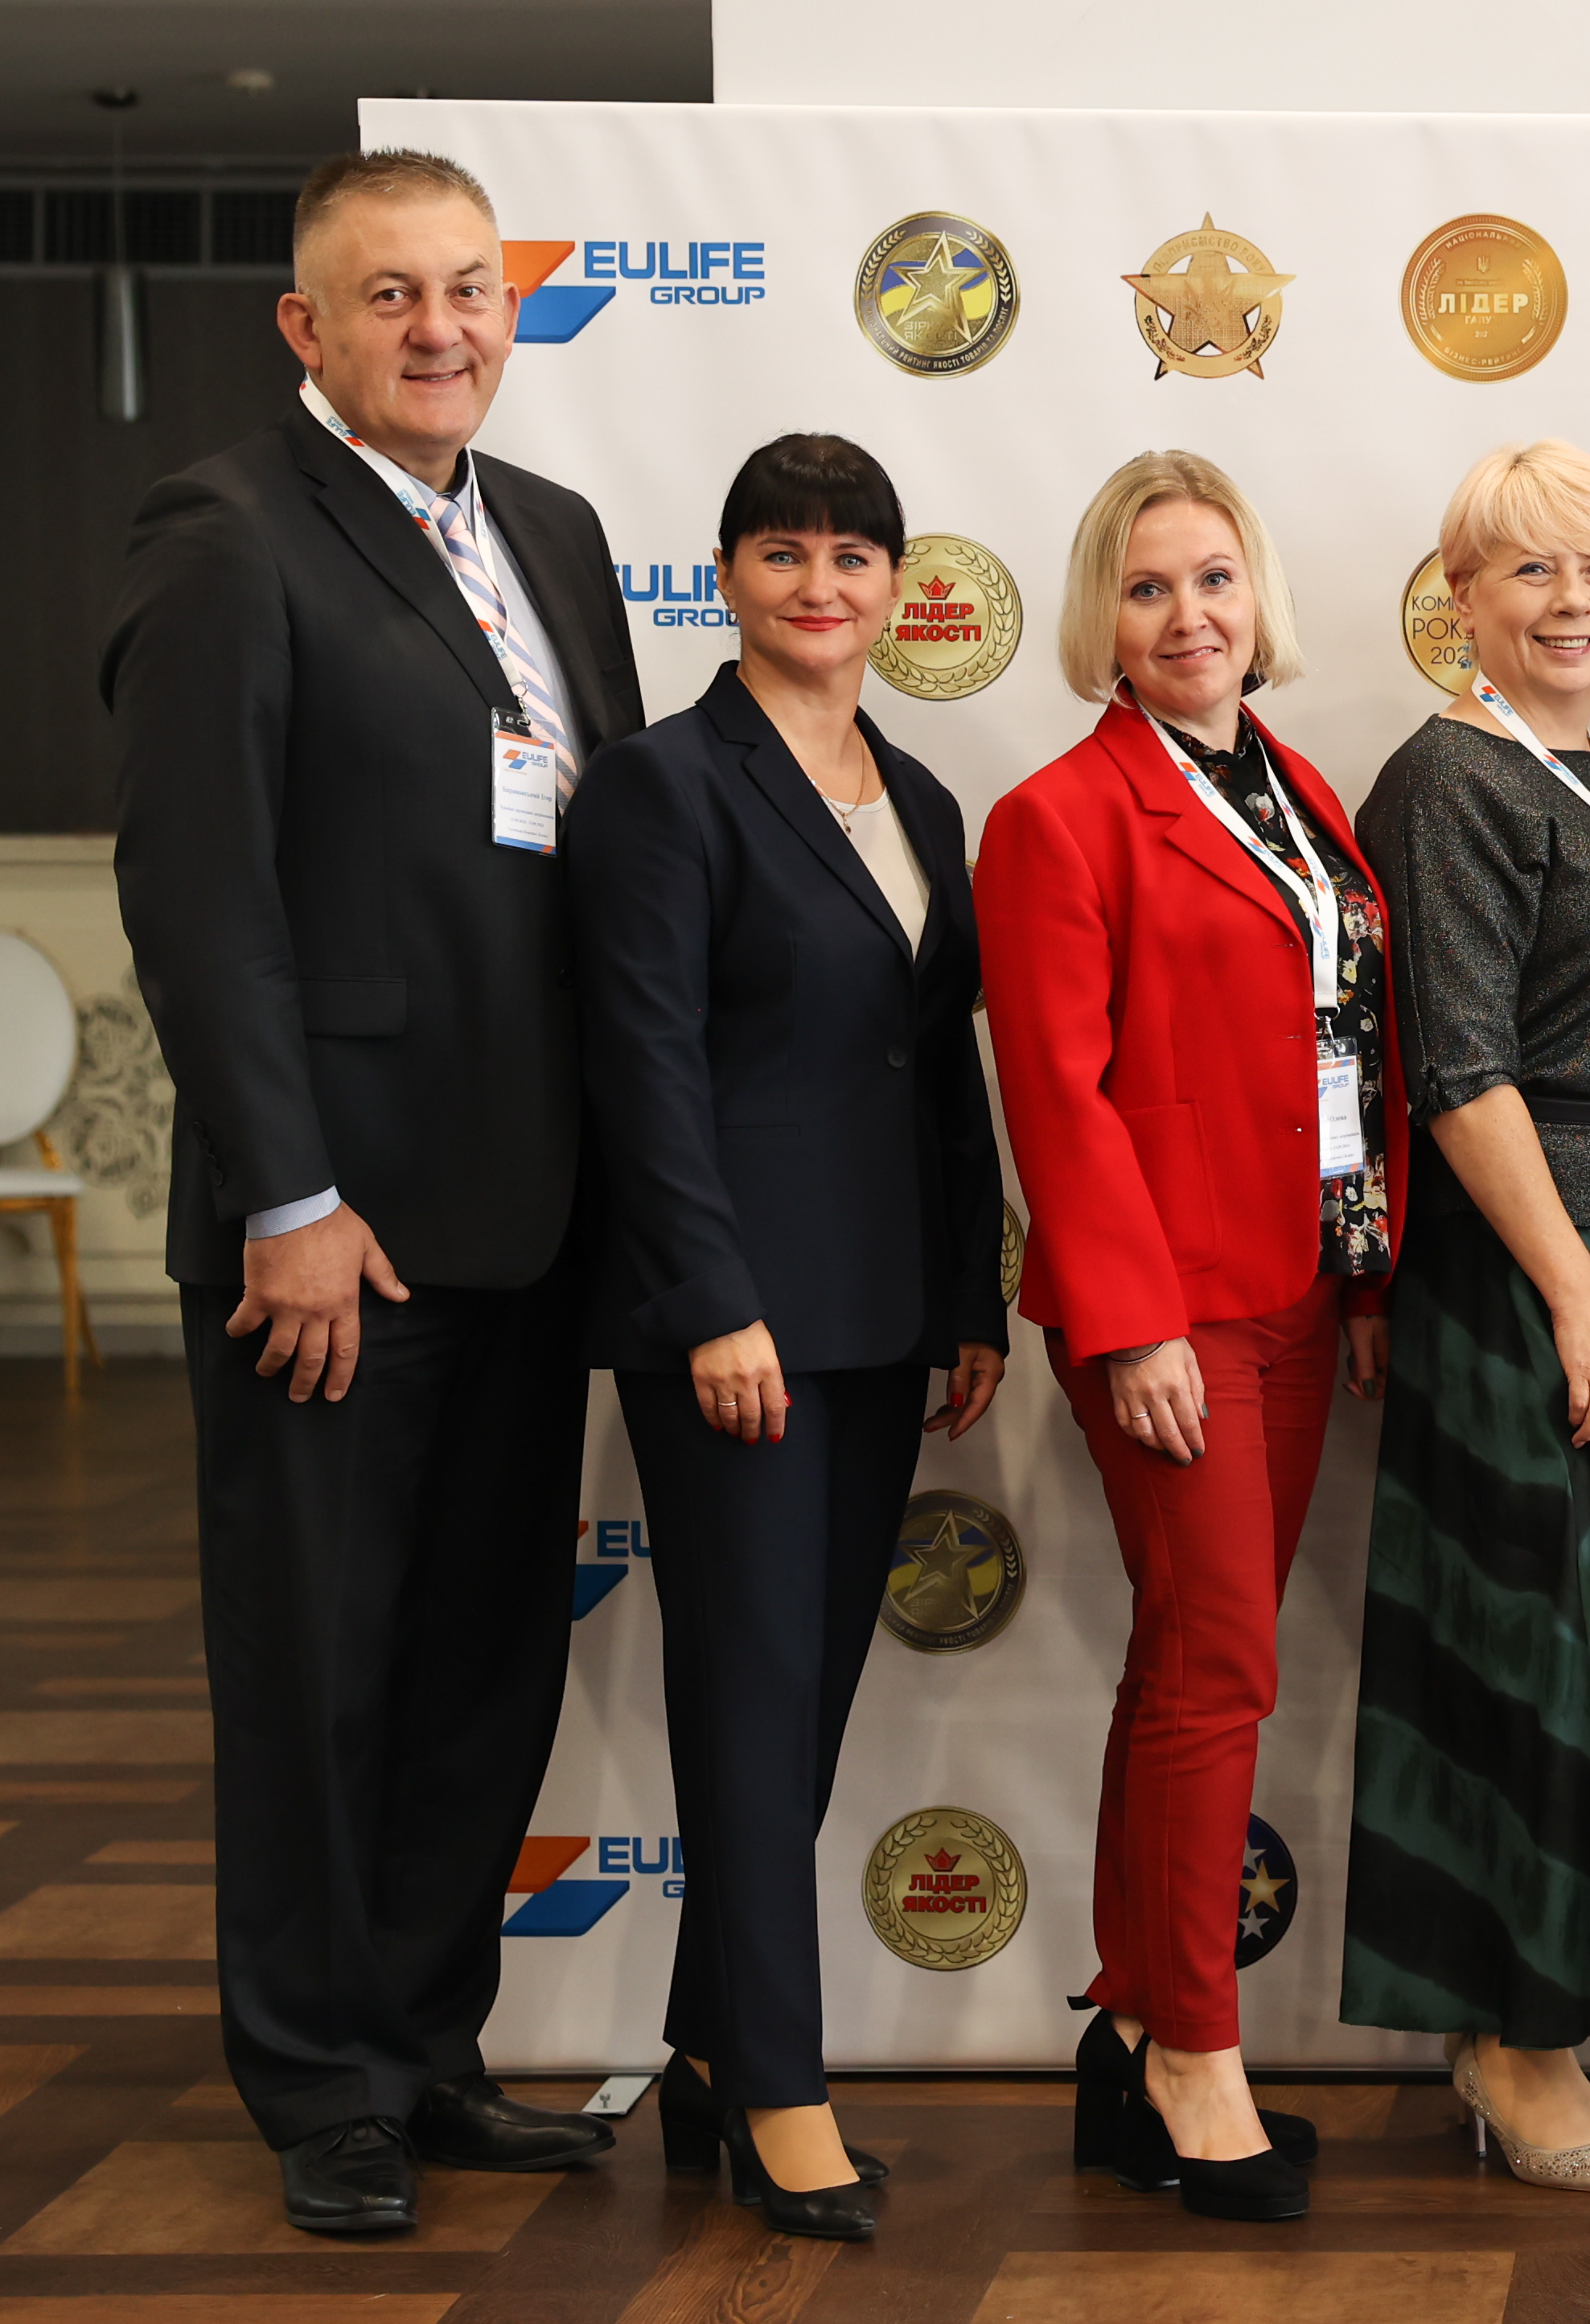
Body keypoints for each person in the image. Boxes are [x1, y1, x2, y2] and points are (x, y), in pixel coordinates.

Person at [103, 147, 646, 2235]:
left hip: (529, 1216)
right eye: (392, 294)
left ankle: (427, 2049)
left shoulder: (555, 533)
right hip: (332, 1238)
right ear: (305, 327)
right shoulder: (228, 531)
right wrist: (284, 1199)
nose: (442, 328)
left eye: (470, 288)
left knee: (480, 1665)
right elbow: (201, 899)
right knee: (317, 1668)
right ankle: (317, 2077)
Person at [569, 433, 1005, 2241]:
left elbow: (939, 1064)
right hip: (734, 1323)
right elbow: (643, 1066)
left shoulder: (922, 795)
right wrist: (710, 1300)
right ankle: (781, 2092)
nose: (820, 584)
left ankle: (701, 2045)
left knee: (803, 1699)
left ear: (896, 585)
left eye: (853, 554)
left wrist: (969, 1296)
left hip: (883, 1313)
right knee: (749, 1697)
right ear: (729, 574)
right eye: (782, 550)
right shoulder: (659, 785)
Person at [982, 451, 1397, 2226]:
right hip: (1169, 1312)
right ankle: (1197, 2059)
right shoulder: (1057, 816)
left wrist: (1364, 1276)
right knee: (1218, 1665)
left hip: (1297, 1286)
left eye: (1212, 579)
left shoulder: (1297, 790)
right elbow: (1055, 1097)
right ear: (1103, 615)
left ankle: (1138, 2019)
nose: (1186, 616)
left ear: (1255, 596)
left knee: (1188, 1659)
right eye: (1147, 588)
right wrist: (1132, 1319)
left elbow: (1341, 1045)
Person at [1335, 441, 1590, 2199]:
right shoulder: (1449, 778)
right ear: (1461, 596)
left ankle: (1549, 2022)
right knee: (1541, 1654)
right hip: (1537, 1274)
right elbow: (1459, 1070)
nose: (1573, 603)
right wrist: (1576, 1295)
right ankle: (1511, 2043)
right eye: (1530, 570)